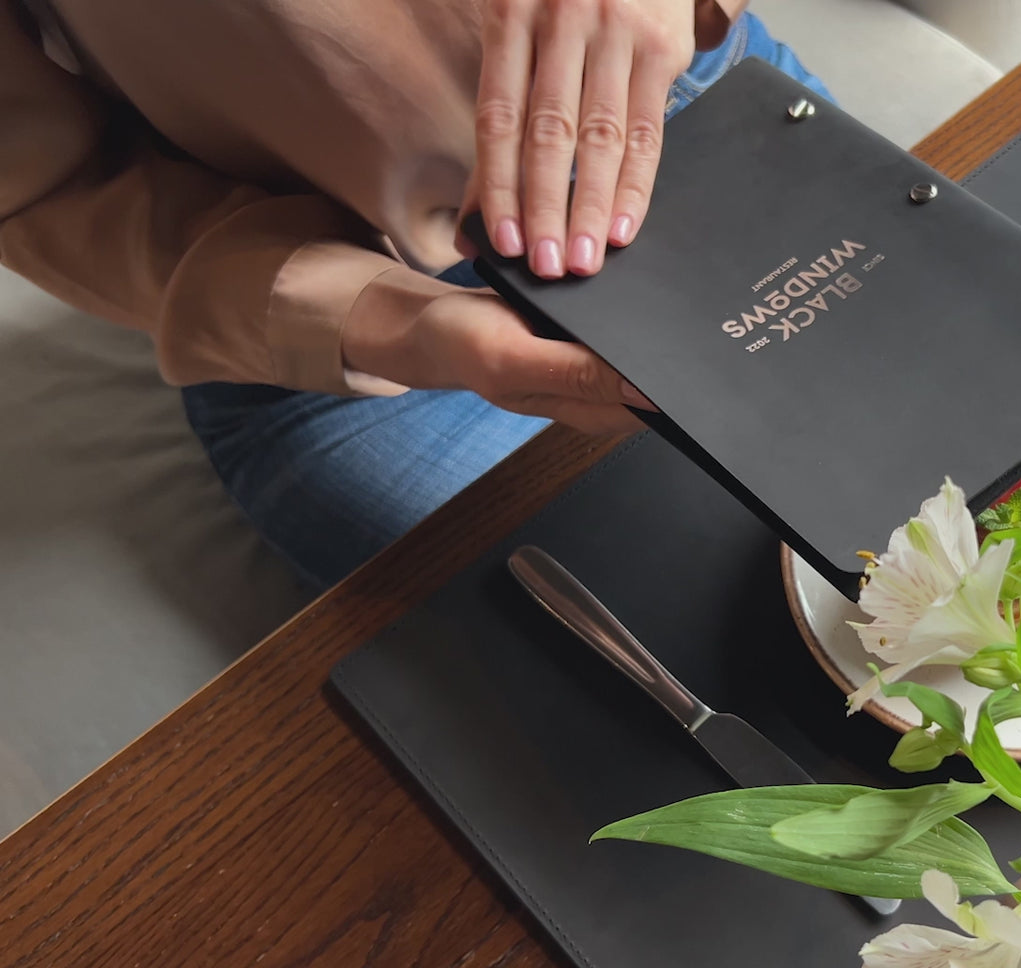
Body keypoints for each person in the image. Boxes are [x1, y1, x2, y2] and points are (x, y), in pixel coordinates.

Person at [0, 0, 828, 588]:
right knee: (668, 629)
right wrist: (385, 320)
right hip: (343, 312)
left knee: (900, 499)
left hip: (684, 102)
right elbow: (39, 191)